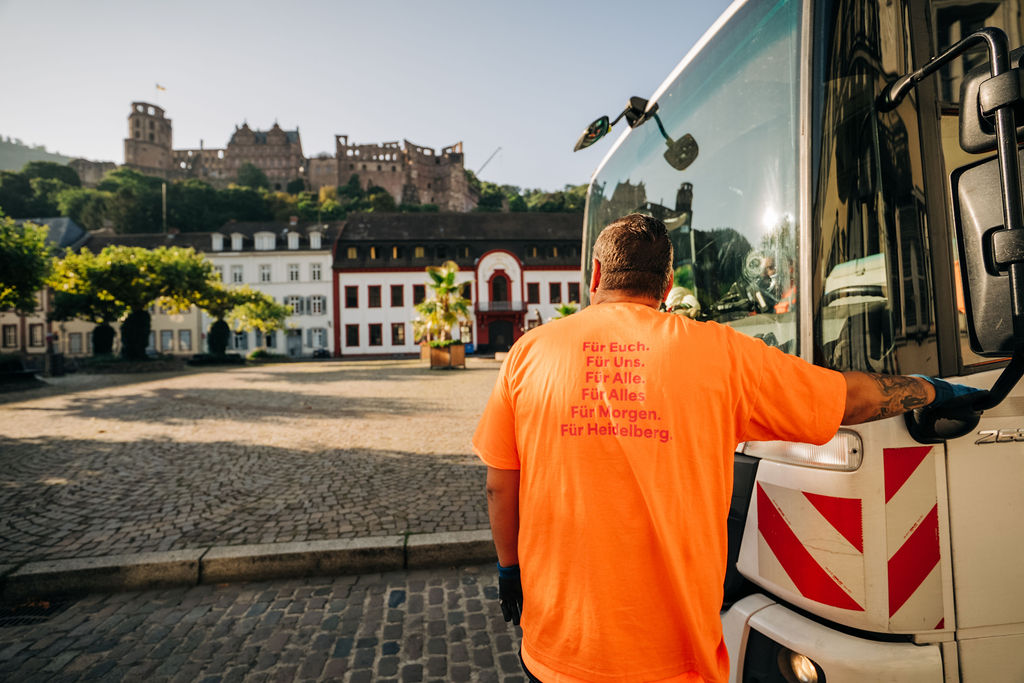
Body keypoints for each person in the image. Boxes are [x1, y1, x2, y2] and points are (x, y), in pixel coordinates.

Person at [472, 213, 984, 683]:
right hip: (674, 662)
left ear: (597, 275)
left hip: (556, 652)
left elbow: (499, 485)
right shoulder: (718, 352)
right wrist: (928, 389)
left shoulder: (527, 353)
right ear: (666, 286)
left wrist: (509, 569)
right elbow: (845, 399)